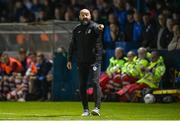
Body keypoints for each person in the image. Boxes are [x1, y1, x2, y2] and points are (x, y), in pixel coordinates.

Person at [67, 9, 104, 116]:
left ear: (90, 16)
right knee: (82, 85)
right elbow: (72, 45)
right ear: (79, 16)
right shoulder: (77, 29)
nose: (85, 16)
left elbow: (99, 29)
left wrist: (101, 27)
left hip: (94, 61)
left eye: (87, 14)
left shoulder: (94, 27)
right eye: (83, 15)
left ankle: (97, 108)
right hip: (81, 61)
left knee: (95, 82)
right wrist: (69, 59)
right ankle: (85, 110)